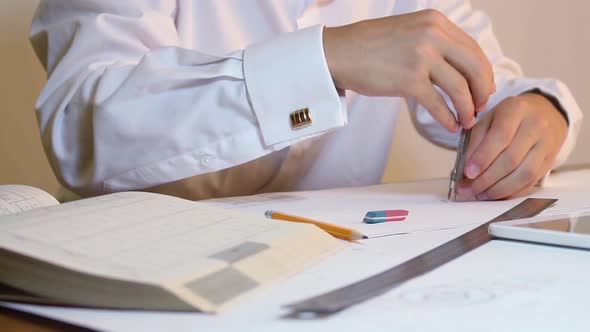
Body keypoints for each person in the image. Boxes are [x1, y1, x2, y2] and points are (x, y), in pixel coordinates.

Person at [29, 0, 582, 201]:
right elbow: (84, 126)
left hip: (333, 289)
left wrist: (542, 109)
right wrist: (324, 60)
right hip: (131, 292)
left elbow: (487, 96)